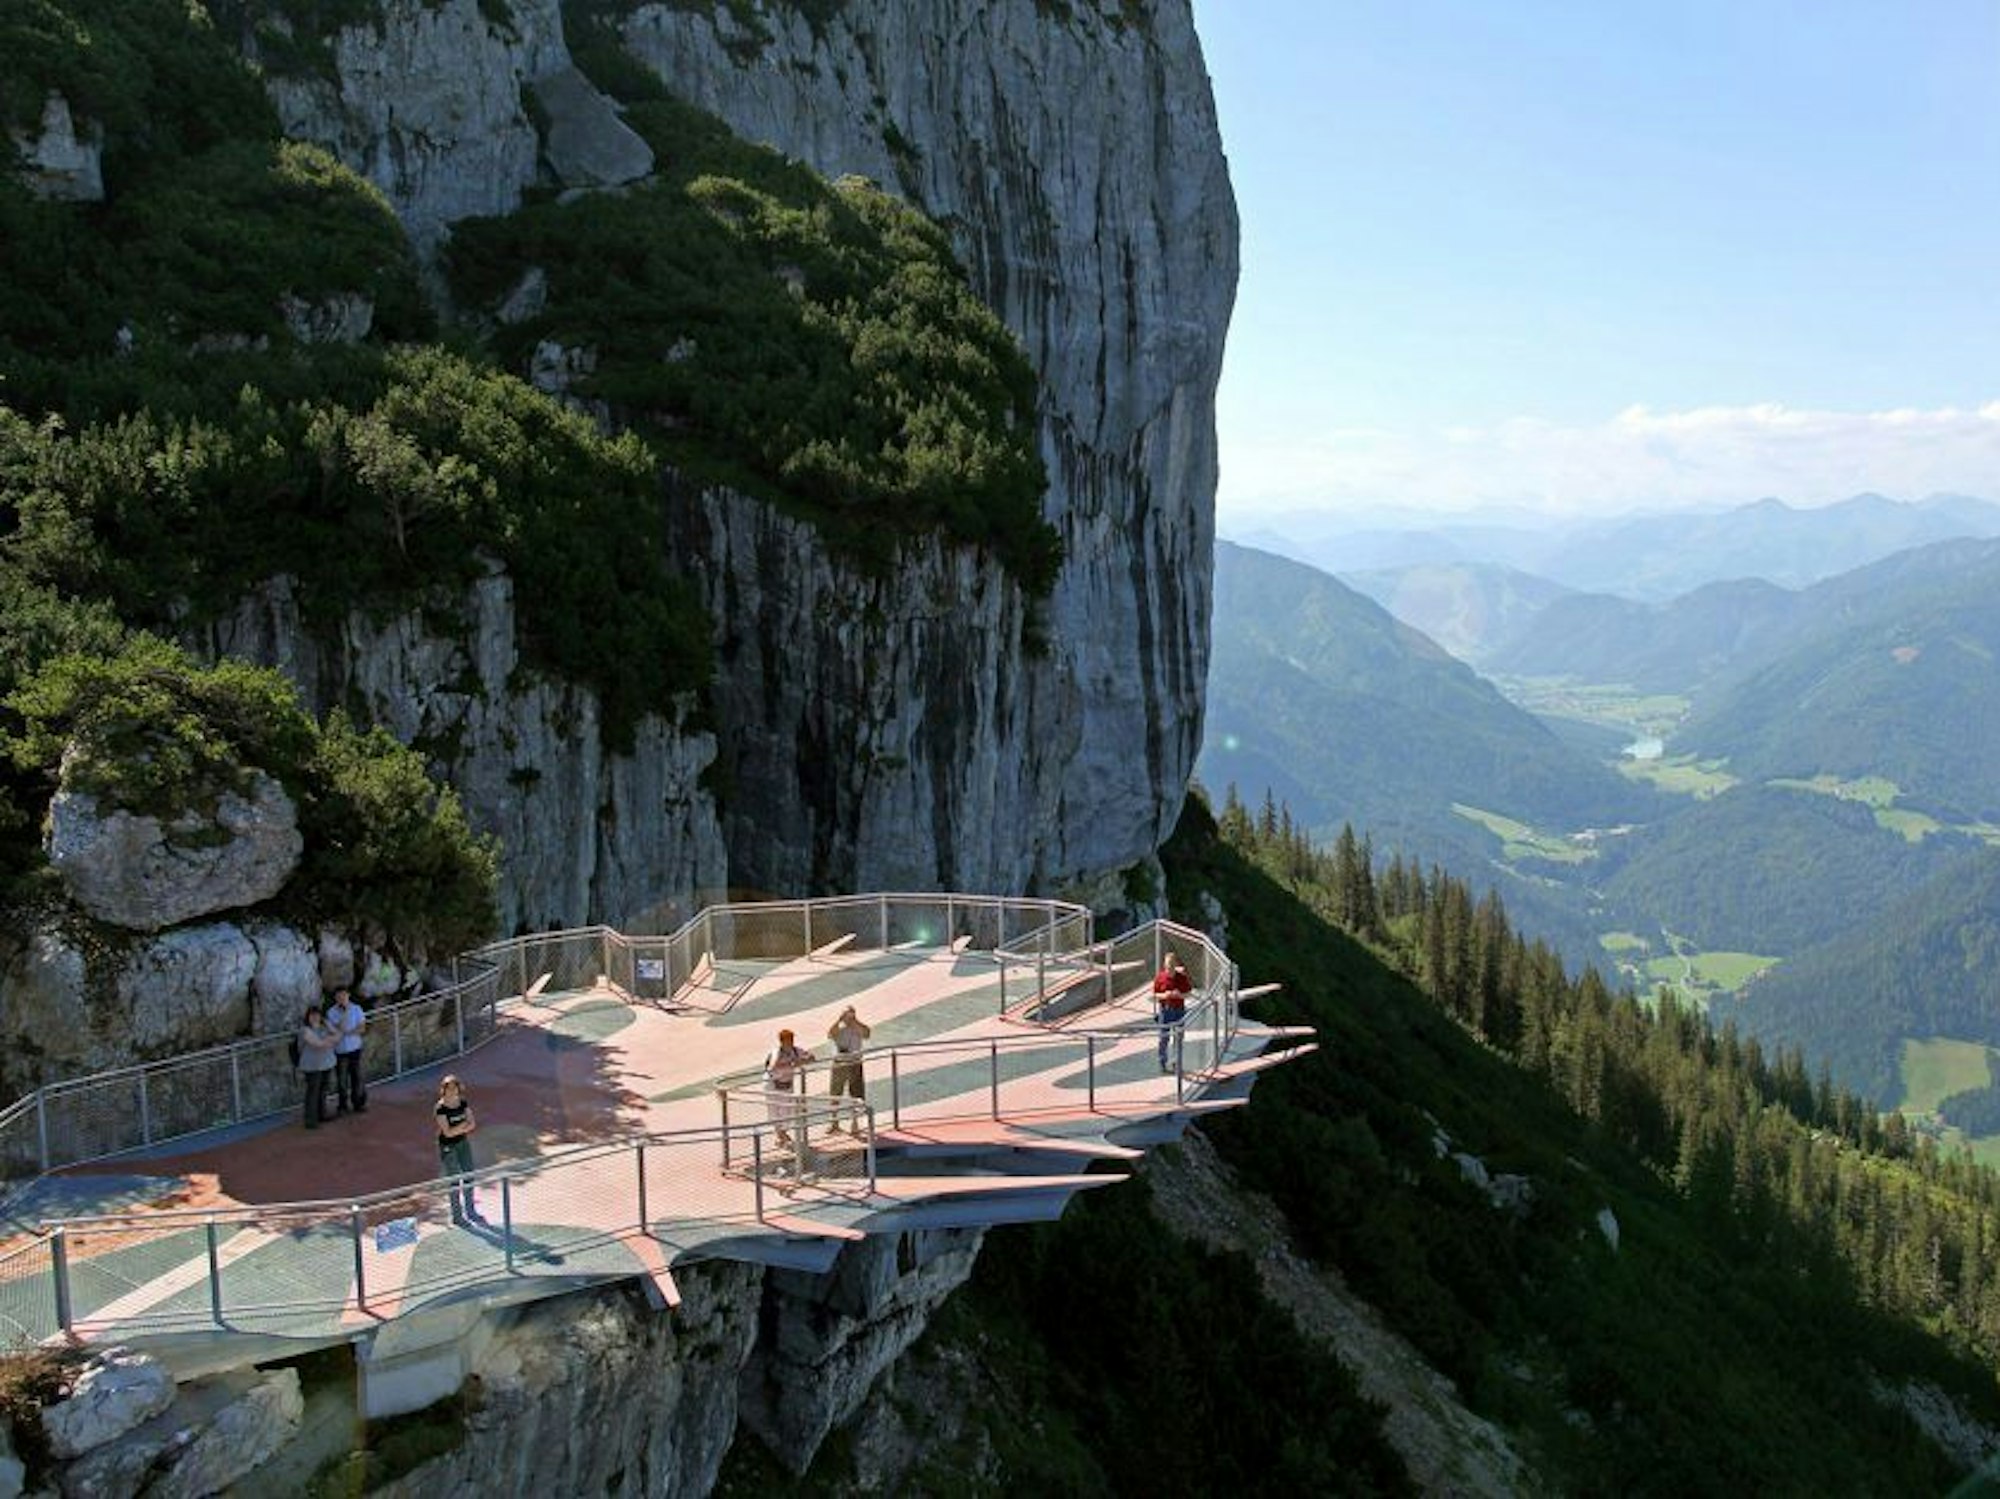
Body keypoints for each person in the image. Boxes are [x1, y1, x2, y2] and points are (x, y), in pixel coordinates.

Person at [435, 1074, 482, 1225]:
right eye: (449, 1088)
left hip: (463, 1143)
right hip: (448, 1146)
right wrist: (463, 1127)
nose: (452, 1091)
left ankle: (471, 1211)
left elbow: (473, 1123)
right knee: (454, 1180)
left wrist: (459, 1129)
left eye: (455, 1088)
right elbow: (447, 1132)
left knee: (469, 1176)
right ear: (444, 1090)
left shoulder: (462, 1103)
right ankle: (457, 1216)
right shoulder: (440, 1108)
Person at [763, 1028, 811, 1150]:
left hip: (787, 1084)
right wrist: (791, 1064)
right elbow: (773, 1066)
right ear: (782, 1041)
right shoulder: (776, 1052)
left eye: (791, 1039)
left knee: (787, 1111)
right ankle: (781, 1136)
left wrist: (802, 1060)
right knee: (775, 1110)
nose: (790, 1042)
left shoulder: (795, 1050)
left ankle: (782, 1135)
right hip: (773, 1084)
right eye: (787, 1040)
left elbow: (811, 1057)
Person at [825, 1006, 872, 1132]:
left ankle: (854, 1122)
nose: (848, 1018)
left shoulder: (858, 1028)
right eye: (846, 1015)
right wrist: (839, 1020)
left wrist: (855, 1021)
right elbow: (830, 1033)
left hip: (855, 1062)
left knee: (855, 1094)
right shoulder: (838, 1027)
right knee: (835, 1093)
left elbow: (867, 1033)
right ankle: (834, 1122)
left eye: (850, 1014)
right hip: (839, 1063)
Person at [327, 987, 368, 1116]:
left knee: (357, 1077)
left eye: (343, 995)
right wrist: (344, 1014)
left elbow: (362, 1028)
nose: (341, 998)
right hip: (340, 1051)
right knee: (342, 1080)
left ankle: (358, 1103)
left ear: (348, 995)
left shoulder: (357, 1009)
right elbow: (335, 1028)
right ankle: (343, 1106)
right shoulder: (331, 1012)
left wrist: (349, 1032)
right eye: (338, 996)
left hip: (355, 1049)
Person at [297, 1006, 338, 1128]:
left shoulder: (324, 1028)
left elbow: (339, 1035)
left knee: (322, 1091)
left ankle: (322, 1114)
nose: (315, 1018)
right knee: (313, 1092)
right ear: (307, 1017)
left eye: (317, 1015)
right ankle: (310, 1120)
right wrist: (330, 1040)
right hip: (312, 1066)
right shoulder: (305, 1030)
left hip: (326, 1064)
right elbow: (317, 1044)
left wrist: (328, 1025)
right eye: (312, 1015)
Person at [1152, 951, 1192, 1072]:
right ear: (1165, 965)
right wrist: (1164, 995)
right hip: (1165, 1011)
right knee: (1164, 1038)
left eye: (1171, 965)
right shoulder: (1160, 977)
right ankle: (1162, 1062)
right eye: (1168, 965)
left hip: (1179, 1010)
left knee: (1178, 1038)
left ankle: (1176, 1063)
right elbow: (1154, 995)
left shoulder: (1182, 978)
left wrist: (1180, 995)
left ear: (1175, 965)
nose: (1169, 967)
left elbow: (1189, 993)